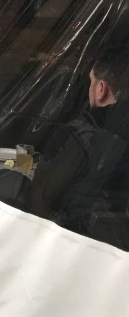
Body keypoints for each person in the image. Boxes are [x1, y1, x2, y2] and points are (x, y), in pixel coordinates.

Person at [25, 47, 129, 249]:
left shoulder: (79, 135)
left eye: (91, 82)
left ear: (101, 89)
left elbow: (39, 202)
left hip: (72, 247)